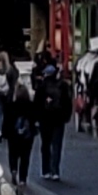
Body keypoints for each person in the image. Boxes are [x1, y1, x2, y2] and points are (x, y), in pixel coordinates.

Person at [35, 55, 74, 183]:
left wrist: (36, 119)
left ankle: (45, 170)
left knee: (45, 145)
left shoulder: (41, 87)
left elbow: (37, 104)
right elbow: (68, 103)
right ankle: (55, 171)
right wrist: (66, 117)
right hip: (58, 119)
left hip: (45, 119)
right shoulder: (63, 86)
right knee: (56, 145)